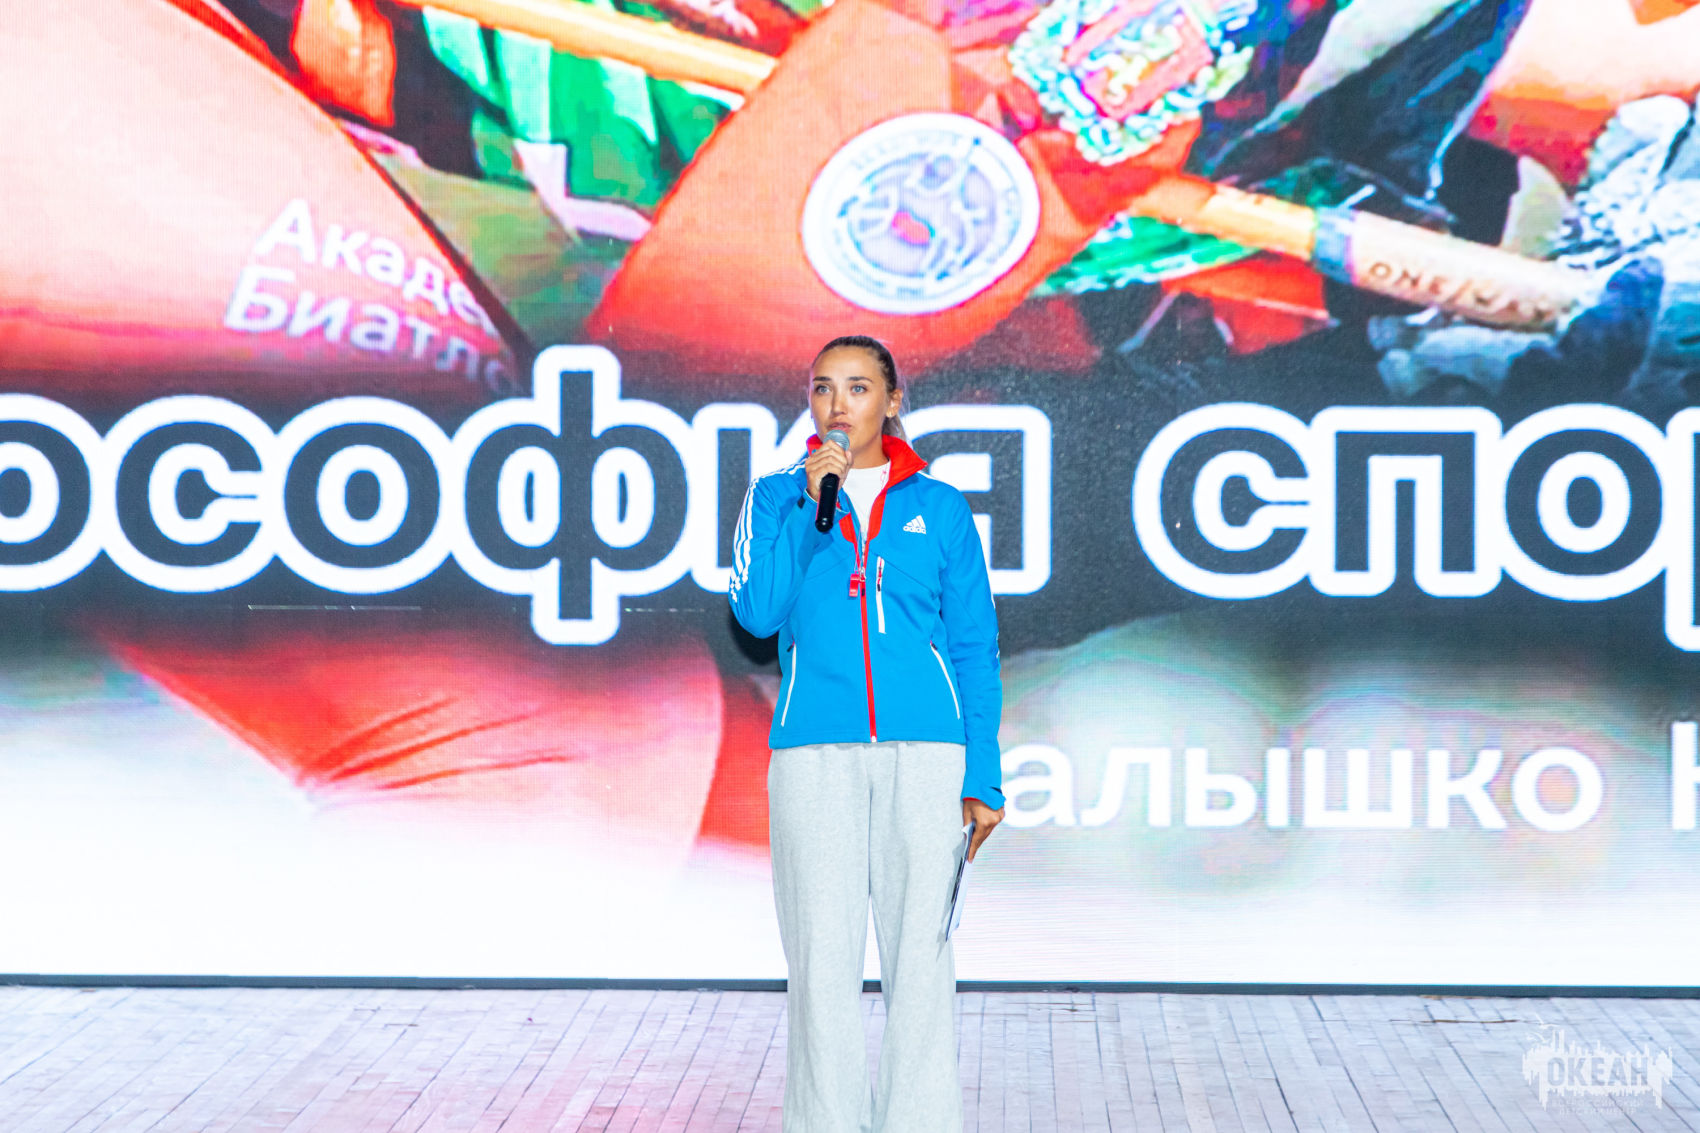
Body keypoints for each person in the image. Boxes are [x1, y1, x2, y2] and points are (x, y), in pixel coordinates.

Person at [728, 335, 1005, 1132]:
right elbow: (756, 612)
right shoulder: (778, 498)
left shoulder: (940, 507)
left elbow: (974, 646)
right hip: (814, 756)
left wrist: (983, 772)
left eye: (857, 387)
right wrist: (810, 512)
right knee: (821, 962)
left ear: (891, 400)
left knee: (922, 959)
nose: (838, 404)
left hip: (928, 755)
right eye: (823, 388)